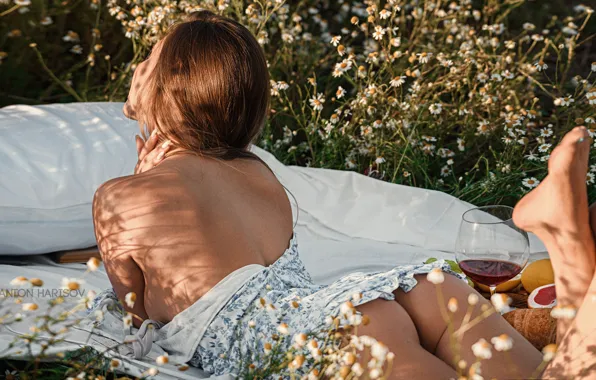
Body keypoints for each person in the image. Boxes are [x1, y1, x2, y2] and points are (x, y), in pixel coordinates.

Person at [92, 10, 596, 379]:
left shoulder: (118, 200)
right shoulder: (261, 175)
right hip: (382, 294)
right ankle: (572, 252)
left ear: (166, 86)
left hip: (313, 333)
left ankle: (571, 248)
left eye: (148, 61)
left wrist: (138, 179)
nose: (139, 69)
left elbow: (142, 314)